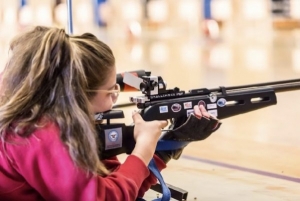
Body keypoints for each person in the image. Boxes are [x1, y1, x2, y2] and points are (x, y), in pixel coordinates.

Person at [0, 26, 218, 201]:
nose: (115, 96)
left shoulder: (65, 122)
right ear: (78, 93)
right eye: (111, 90)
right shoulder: (35, 133)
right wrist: (141, 150)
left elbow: (122, 188)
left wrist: (169, 146)